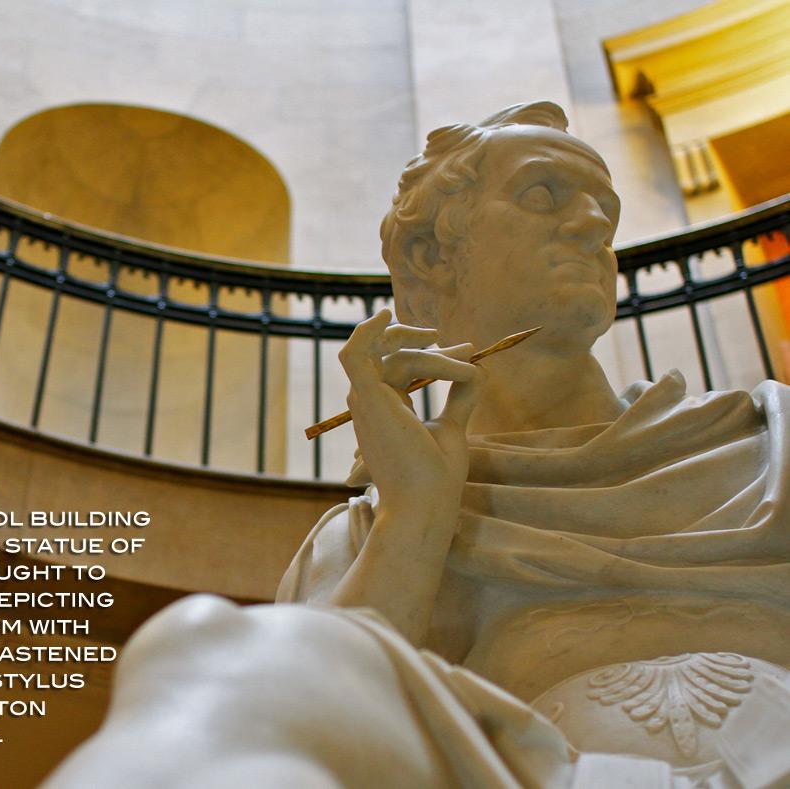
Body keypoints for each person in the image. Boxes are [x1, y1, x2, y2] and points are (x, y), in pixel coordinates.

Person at [44, 102, 790, 788]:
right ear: (433, 255)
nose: (594, 223)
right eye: (542, 195)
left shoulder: (771, 438)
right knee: (213, 646)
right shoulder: (379, 525)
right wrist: (417, 515)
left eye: (606, 208)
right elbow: (314, 709)